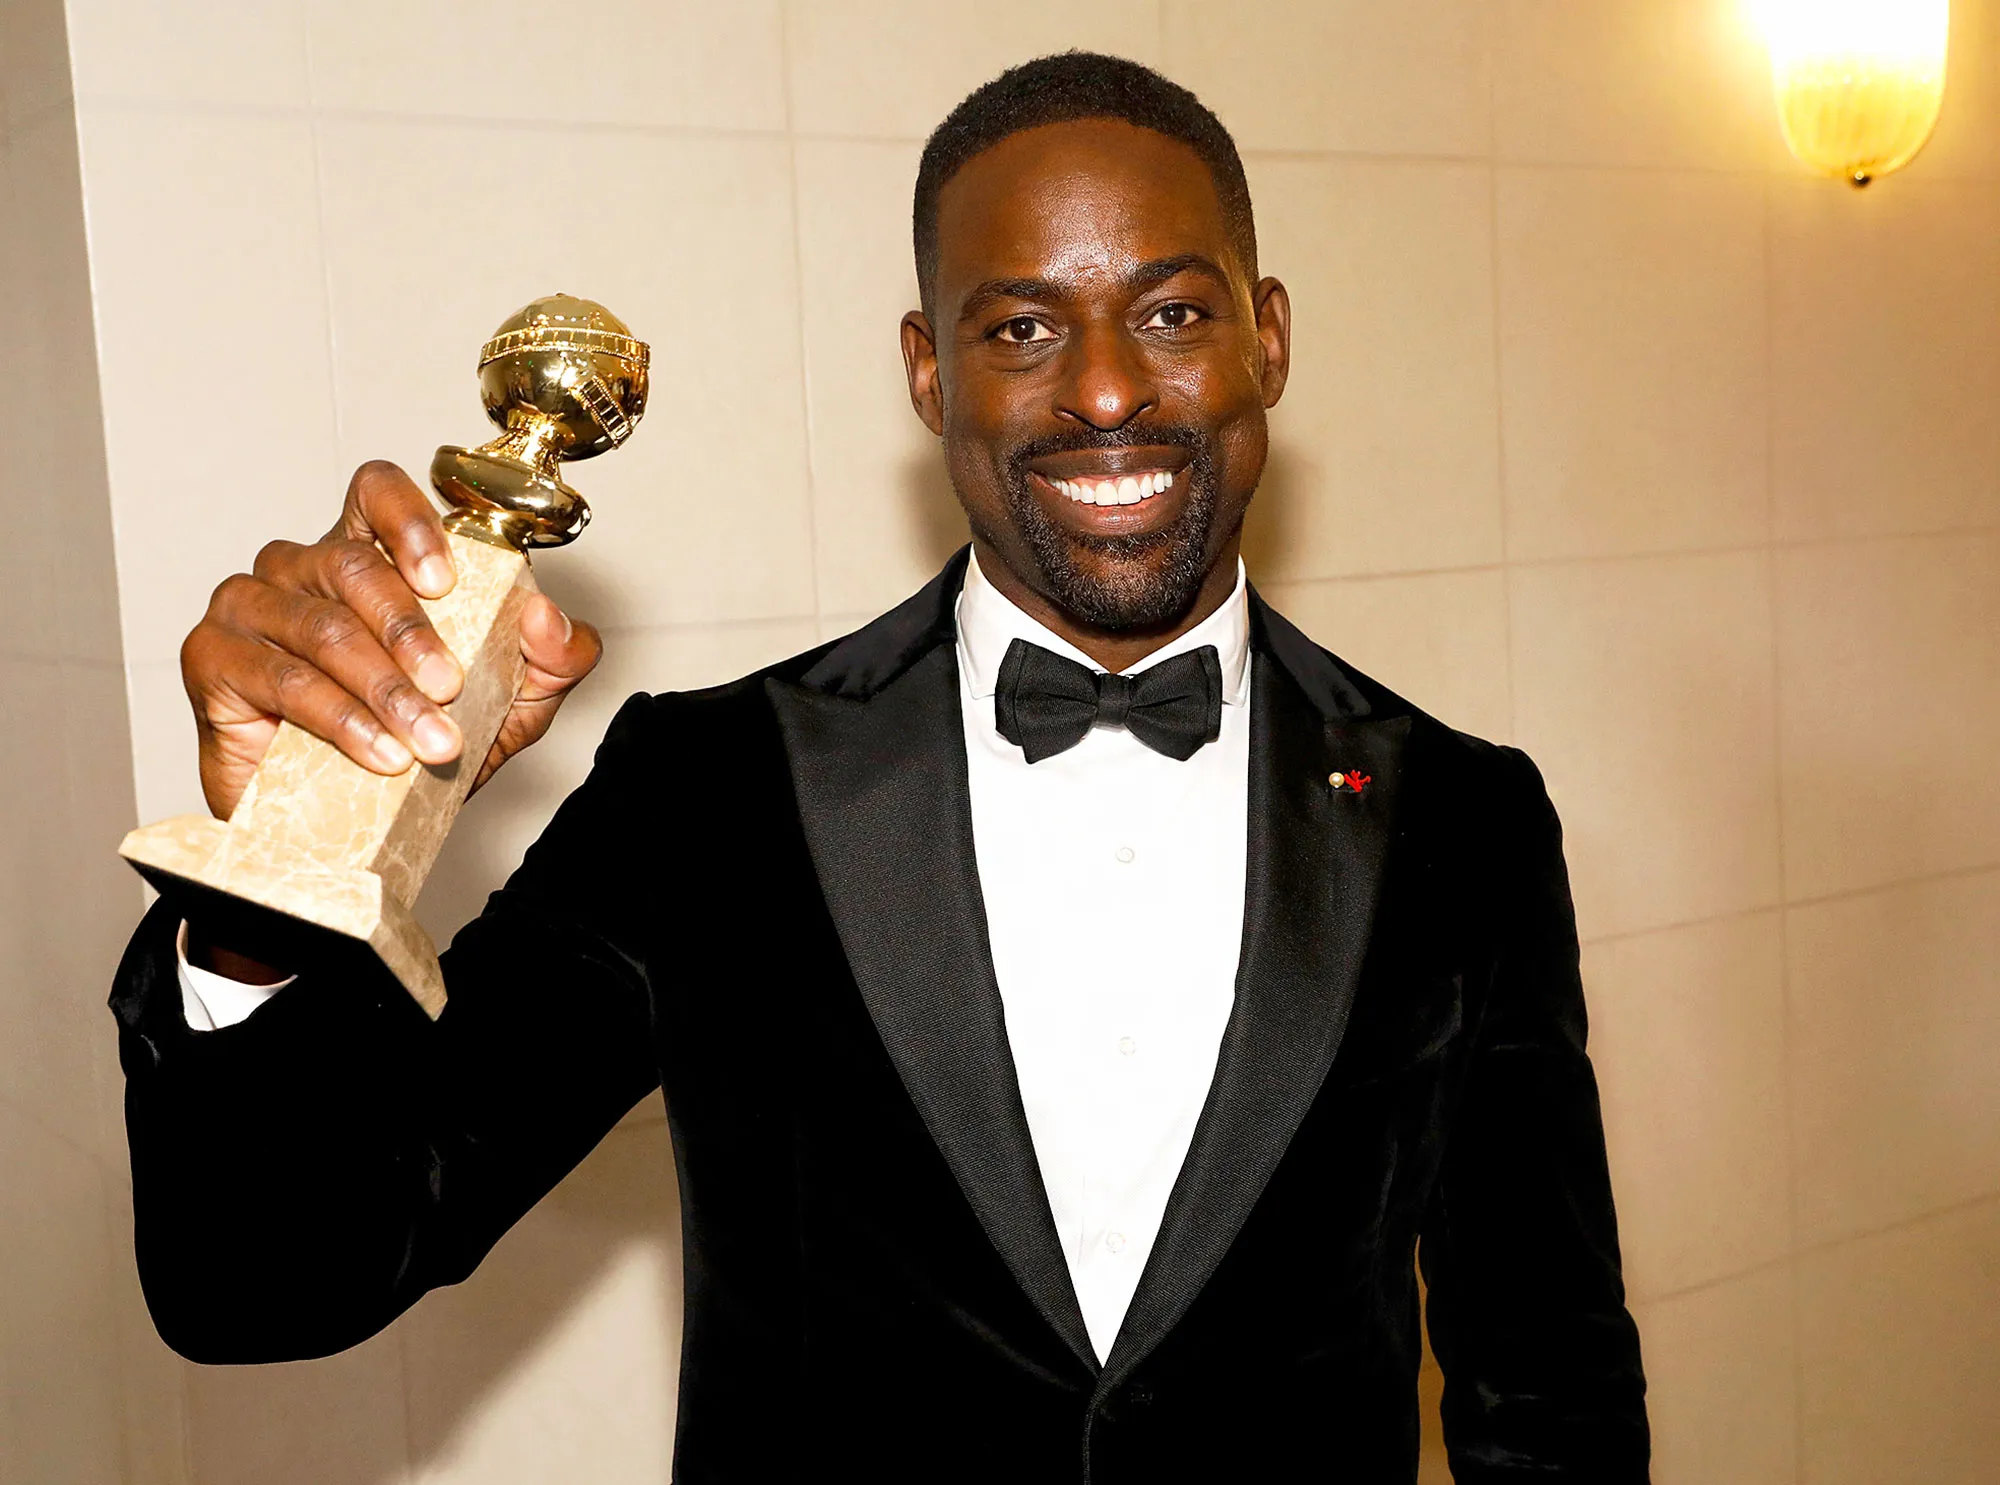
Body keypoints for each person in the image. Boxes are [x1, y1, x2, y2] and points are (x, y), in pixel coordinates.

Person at [112, 52, 1648, 1482]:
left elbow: (1550, 1382)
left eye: (1175, 312)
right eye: (1023, 327)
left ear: (1271, 339)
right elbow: (273, 1276)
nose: (1107, 389)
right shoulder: (708, 789)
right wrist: (275, 895)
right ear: (929, 373)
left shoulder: (1468, 819)